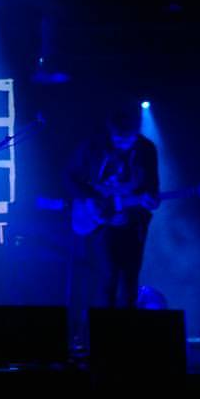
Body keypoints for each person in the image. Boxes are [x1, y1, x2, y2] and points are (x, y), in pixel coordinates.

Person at [68, 106, 160, 309]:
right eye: (118, 139)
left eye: (129, 139)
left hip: (134, 223)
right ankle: (103, 335)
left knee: (130, 280)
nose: (124, 144)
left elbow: (153, 188)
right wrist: (92, 200)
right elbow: (71, 177)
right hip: (103, 223)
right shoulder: (93, 146)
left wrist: (151, 200)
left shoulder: (146, 149)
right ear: (110, 132)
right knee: (107, 279)